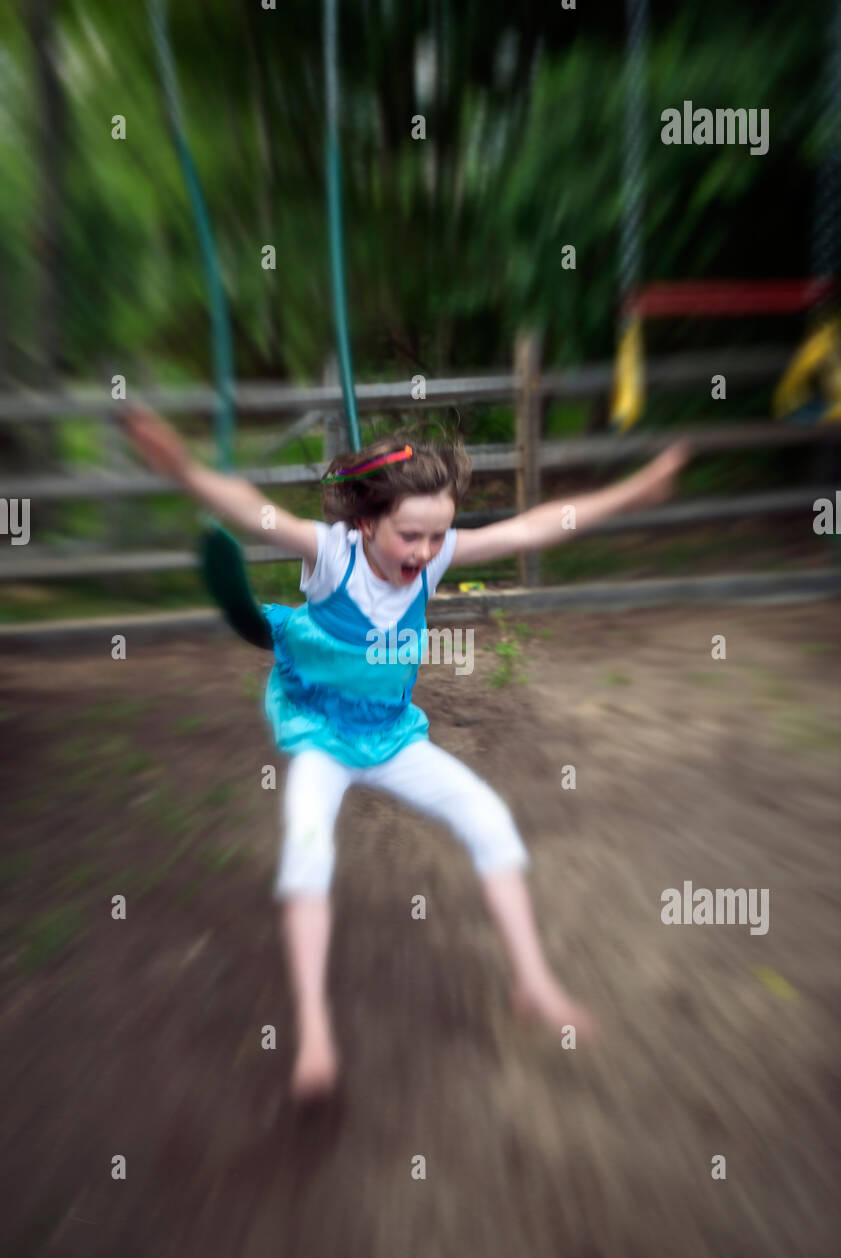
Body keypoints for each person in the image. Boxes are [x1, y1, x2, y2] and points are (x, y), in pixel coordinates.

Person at [125, 409, 690, 1099]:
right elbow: (253, 510)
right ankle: (313, 1030)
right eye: (410, 535)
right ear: (365, 523)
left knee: (488, 819)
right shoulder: (329, 553)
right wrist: (184, 472)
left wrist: (629, 495)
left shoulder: (435, 552)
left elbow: (535, 525)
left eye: (438, 534)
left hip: (392, 736)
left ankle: (533, 982)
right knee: (307, 848)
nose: (425, 552)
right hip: (322, 736)